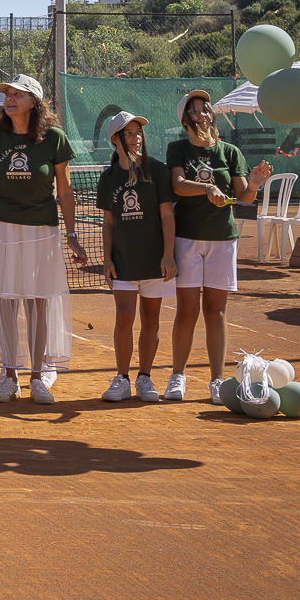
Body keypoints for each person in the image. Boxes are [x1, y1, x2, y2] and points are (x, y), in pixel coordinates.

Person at [0, 74, 87, 404]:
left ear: (33, 102)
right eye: (7, 93)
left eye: (17, 94)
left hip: (41, 231)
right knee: (5, 302)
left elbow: (65, 190)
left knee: (38, 303)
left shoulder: (53, 138)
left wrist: (72, 235)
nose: (9, 98)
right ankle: (9, 377)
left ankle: (38, 377)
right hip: (1, 230)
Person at [166, 88, 270, 401]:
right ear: (185, 120)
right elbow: (178, 185)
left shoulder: (231, 152)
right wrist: (207, 188)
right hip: (186, 239)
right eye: (194, 110)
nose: (202, 114)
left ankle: (217, 381)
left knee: (216, 312)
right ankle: (177, 376)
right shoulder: (178, 149)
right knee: (187, 311)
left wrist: (254, 184)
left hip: (222, 240)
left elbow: (244, 198)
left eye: (205, 109)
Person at [96, 112, 177, 402]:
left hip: (155, 260)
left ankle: (145, 377)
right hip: (123, 261)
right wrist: (107, 260)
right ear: (115, 139)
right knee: (124, 317)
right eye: (129, 133)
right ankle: (122, 378)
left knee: (151, 318)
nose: (136, 138)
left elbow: (167, 215)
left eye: (138, 132)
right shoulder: (108, 178)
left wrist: (168, 255)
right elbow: (108, 223)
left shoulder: (158, 170)